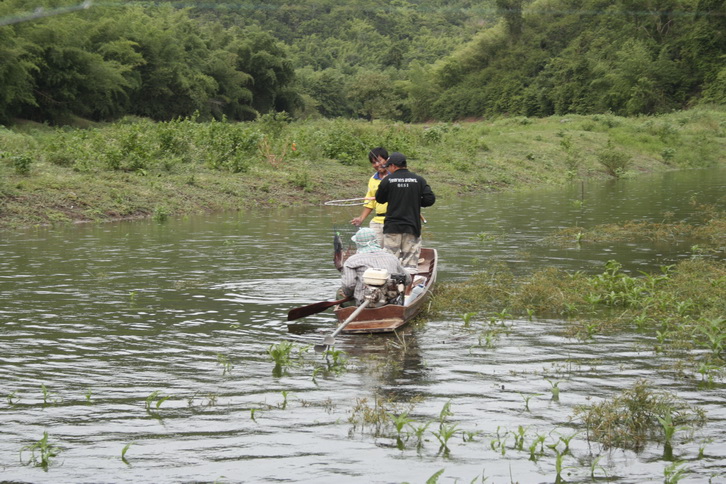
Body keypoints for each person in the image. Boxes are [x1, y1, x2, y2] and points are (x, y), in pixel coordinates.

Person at [375, 152, 436, 274]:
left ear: (393, 166)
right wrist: (415, 202)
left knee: (390, 262)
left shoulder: (387, 180)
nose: (387, 169)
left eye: (388, 167)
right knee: (410, 265)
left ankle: (391, 290)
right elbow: (430, 199)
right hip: (412, 227)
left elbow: (379, 199)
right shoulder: (419, 180)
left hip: (392, 227)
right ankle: (408, 290)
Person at [337, 227, 411, 306]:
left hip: (363, 304)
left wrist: (348, 294)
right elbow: (407, 279)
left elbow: (349, 285)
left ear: (357, 243)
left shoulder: (351, 261)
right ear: (376, 241)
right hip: (391, 302)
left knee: (342, 294)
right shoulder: (392, 257)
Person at [350, 147, 389, 248]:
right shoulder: (372, 179)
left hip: (394, 221)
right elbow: (370, 202)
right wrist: (361, 219)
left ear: (387, 160)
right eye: (374, 162)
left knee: (391, 251)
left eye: (379, 161)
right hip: (377, 220)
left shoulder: (396, 176)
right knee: (373, 249)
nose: (377, 165)